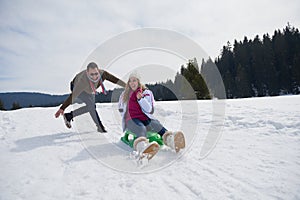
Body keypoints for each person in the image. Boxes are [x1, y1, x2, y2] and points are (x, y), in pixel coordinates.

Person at [118, 72, 185, 158]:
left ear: (138, 81)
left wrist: (141, 99)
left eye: (134, 80)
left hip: (145, 118)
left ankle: (171, 140)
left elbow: (149, 109)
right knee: (141, 128)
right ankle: (142, 148)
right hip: (131, 120)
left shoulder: (146, 93)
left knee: (156, 124)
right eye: (130, 81)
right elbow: (120, 107)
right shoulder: (124, 94)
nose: (132, 83)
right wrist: (124, 114)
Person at [55, 62, 126, 132]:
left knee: (91, 106)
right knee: (91, 105)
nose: (94, 77)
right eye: (92, 74)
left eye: (96, 74)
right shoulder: (82, 81)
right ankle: (100, 127)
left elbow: (115, 80)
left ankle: (69, 116)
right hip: (75, 86)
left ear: (98, 71)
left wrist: (127, 86)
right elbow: (73, 96)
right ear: (87, 73)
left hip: (88, 90)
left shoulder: (103, 74)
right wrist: (62, 108)